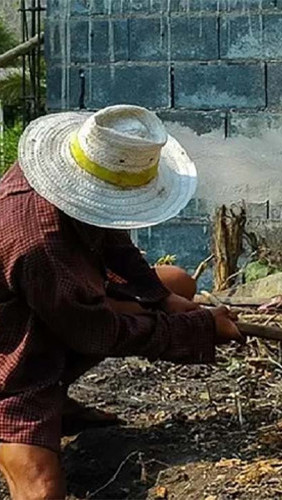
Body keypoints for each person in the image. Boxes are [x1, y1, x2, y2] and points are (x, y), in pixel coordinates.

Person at [0, 105, 243, 499]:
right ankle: (30, 409)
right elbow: (97, 332)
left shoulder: (64, 177)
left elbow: (111, 238)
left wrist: (163, 300)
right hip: (11, 352)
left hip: (43, 305)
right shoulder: (39, 244)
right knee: (42, 489)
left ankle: (55, 398)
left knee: (177, 283)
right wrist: (199, 327)